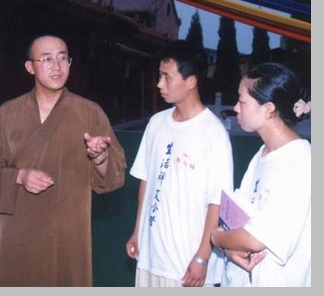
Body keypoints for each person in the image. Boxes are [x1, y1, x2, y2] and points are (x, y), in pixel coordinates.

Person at [0, 35, 125, 286]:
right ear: (30, 67)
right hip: (20, 230)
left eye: (63, 58)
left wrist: (100, 157)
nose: (57, 66)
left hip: (69, 232)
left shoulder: (90, 112)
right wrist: (19, 176)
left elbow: (115, 174)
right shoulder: (8, 113)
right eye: (46, 59)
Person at [125, 41, 233, 287]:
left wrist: (202, 257)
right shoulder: (156, 123)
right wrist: (137, 232)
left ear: (191, 81)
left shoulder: (213, 133)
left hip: (186, 265)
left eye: (167, 77)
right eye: (159, 76)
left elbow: (218, 202)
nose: (159, 84)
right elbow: (146, 181)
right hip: (150, 257)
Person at [212, 63, 311, 287]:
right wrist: (229, 248)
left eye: (242, 101)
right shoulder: (262, 154)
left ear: (268, 109)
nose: (236, 108)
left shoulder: (301, 161)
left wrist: (216, 239)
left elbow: (254, 239)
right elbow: (233, 220)